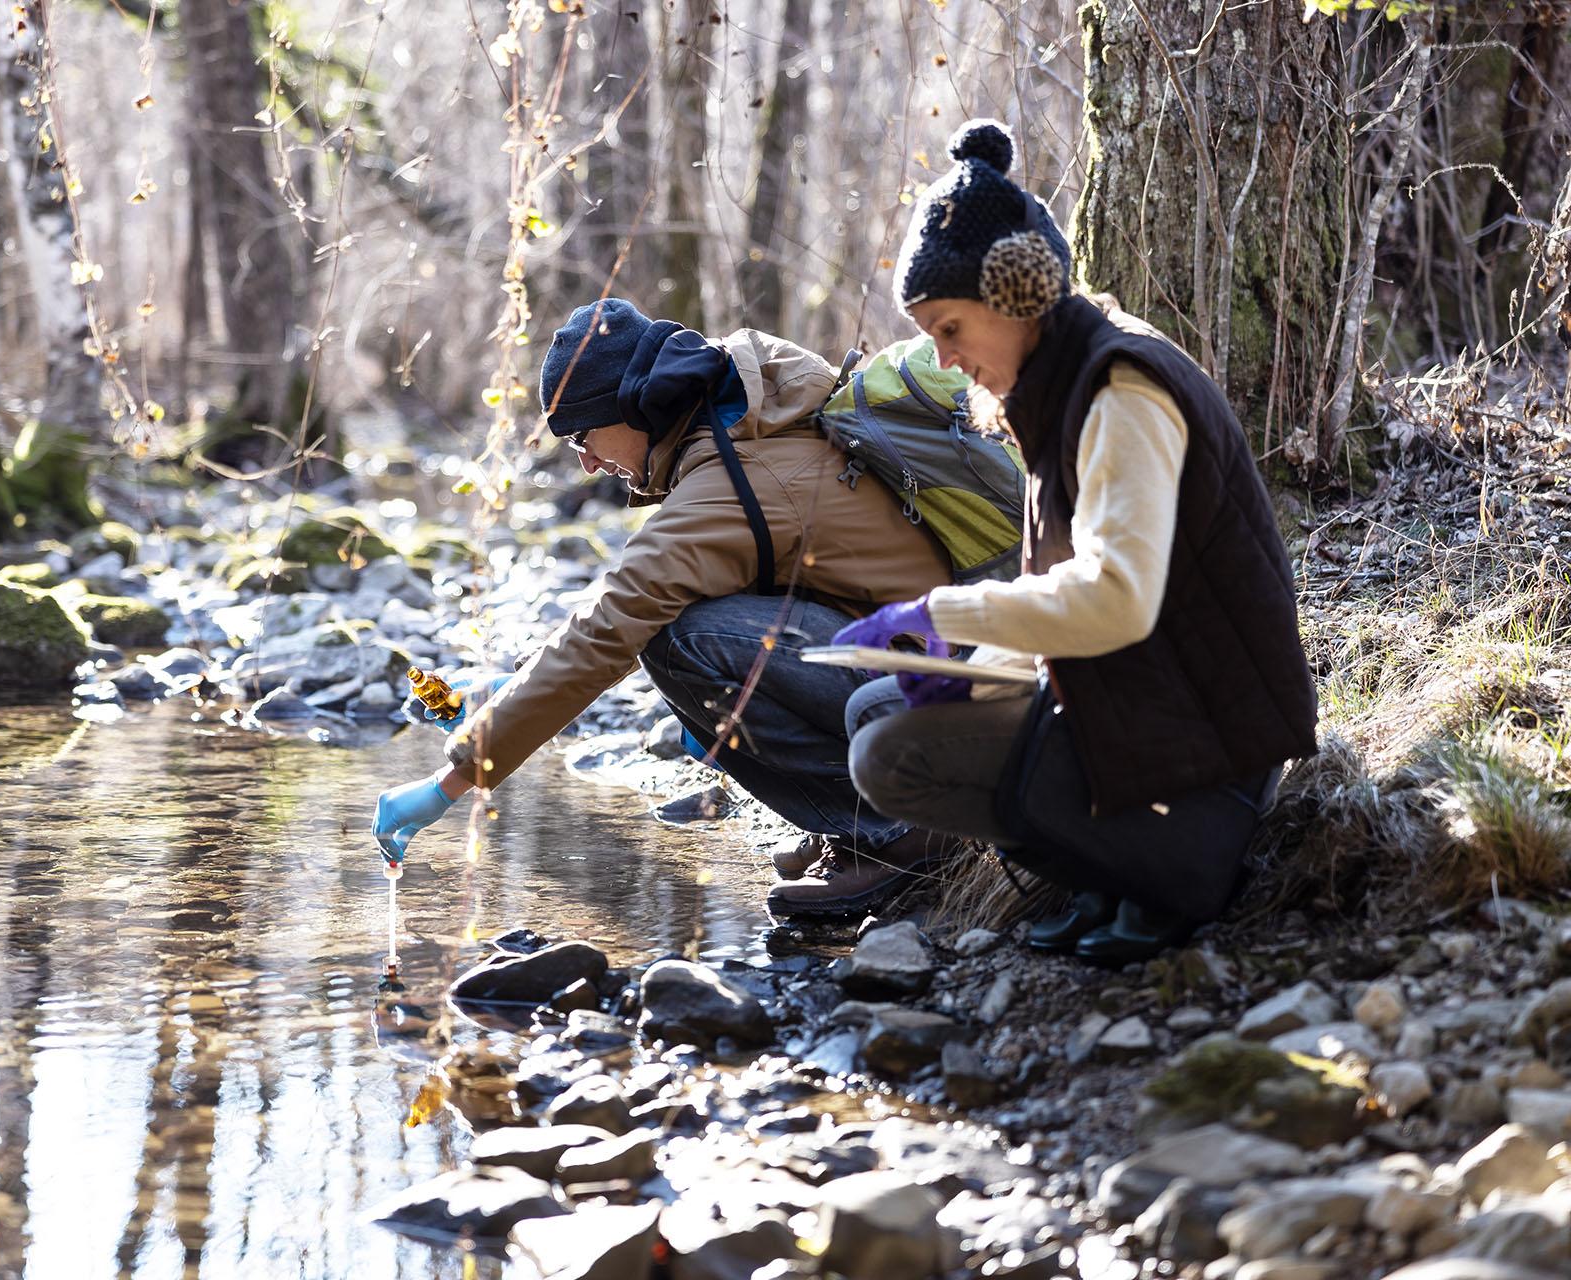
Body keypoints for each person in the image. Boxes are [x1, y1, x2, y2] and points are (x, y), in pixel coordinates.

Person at [836, 119, 1318, 963]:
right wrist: (959, 671)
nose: (943, 360)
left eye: (950, 328)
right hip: (1139, 699)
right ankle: (1103, 870)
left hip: (1207, 746)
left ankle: (1161, 869)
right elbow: (1067, 601)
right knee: (874, 706)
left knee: (888, 756)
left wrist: (947, 613)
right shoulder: (1055, 391)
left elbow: (1116, 601)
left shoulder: (1121, 391)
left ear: (1016, 294)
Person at [373, 297, 964, 915]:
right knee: (683, 645)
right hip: (929, 666)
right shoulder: (747, 425)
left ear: (638, 406)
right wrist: (506, 686)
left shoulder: (737, 479)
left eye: (584, 434)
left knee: (677, 642)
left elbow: (613, 626)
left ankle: (899, 830)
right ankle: (851, 821)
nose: (588, 461)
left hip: (937, 697)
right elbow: (637, 604)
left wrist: (448, 785)